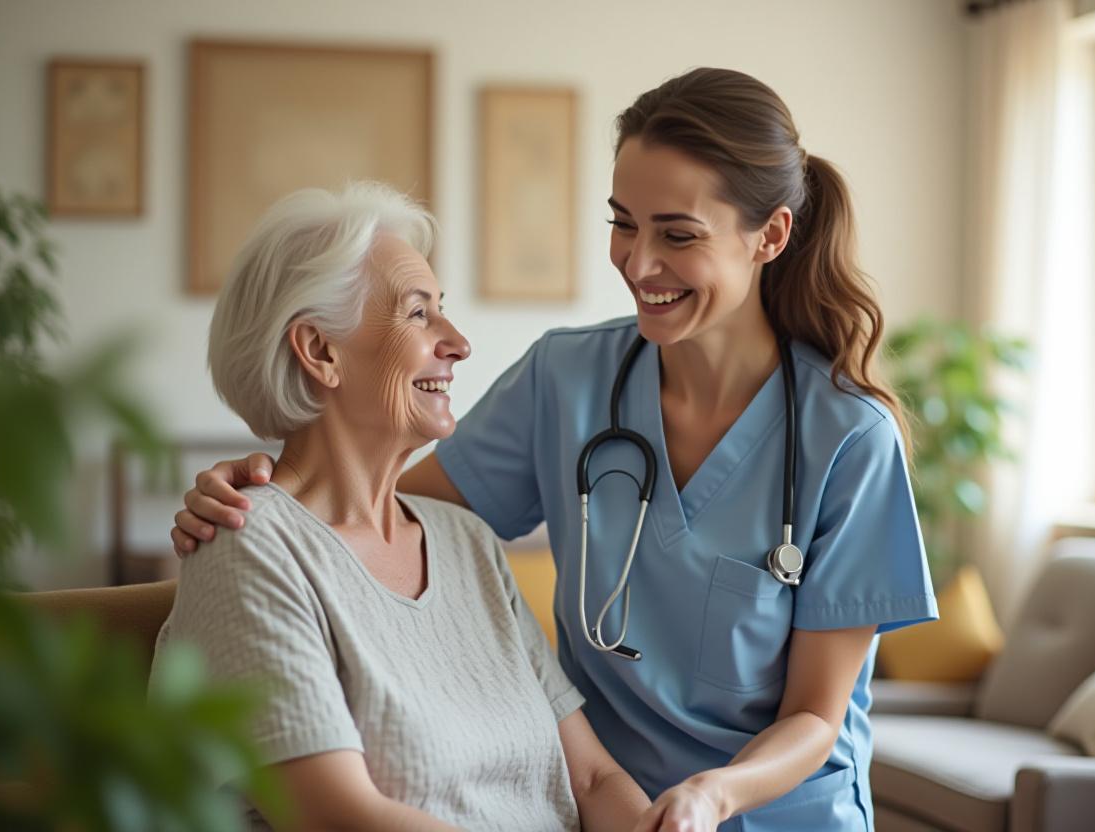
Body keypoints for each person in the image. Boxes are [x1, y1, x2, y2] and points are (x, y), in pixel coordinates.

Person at [173, 68, 938, 832]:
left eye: (677, 234)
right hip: (609, 809)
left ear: (769, 235)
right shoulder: (566, 381)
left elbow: (815, 715)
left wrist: (712, 796)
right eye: (623, 223)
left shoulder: (849, 438)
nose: (638, 263)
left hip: (774, 812)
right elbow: (369, 526)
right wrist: (260, 490)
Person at [152, 182, 650, 831]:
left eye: (443, 310)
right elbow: (340, 817)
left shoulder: (468, 541)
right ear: (320, 351)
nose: (459, 342)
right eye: (419, 314)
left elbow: (591, 778)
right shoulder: (249, 545)